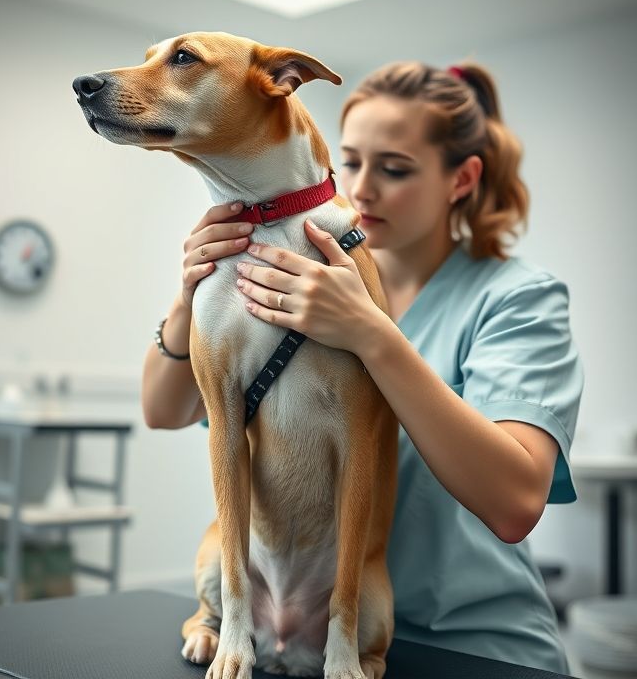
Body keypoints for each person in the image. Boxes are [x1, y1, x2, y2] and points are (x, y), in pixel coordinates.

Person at [141, 60, 583, 673]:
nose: (365, 187)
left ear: (462, 179)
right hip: (310, 644)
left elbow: (514, 504)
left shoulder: (516, 298)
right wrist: (190, 297)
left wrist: (372, 335)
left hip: (471, 643)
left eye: (395, 168)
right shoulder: (287, 268)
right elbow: (164, 412)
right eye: (351, 162)